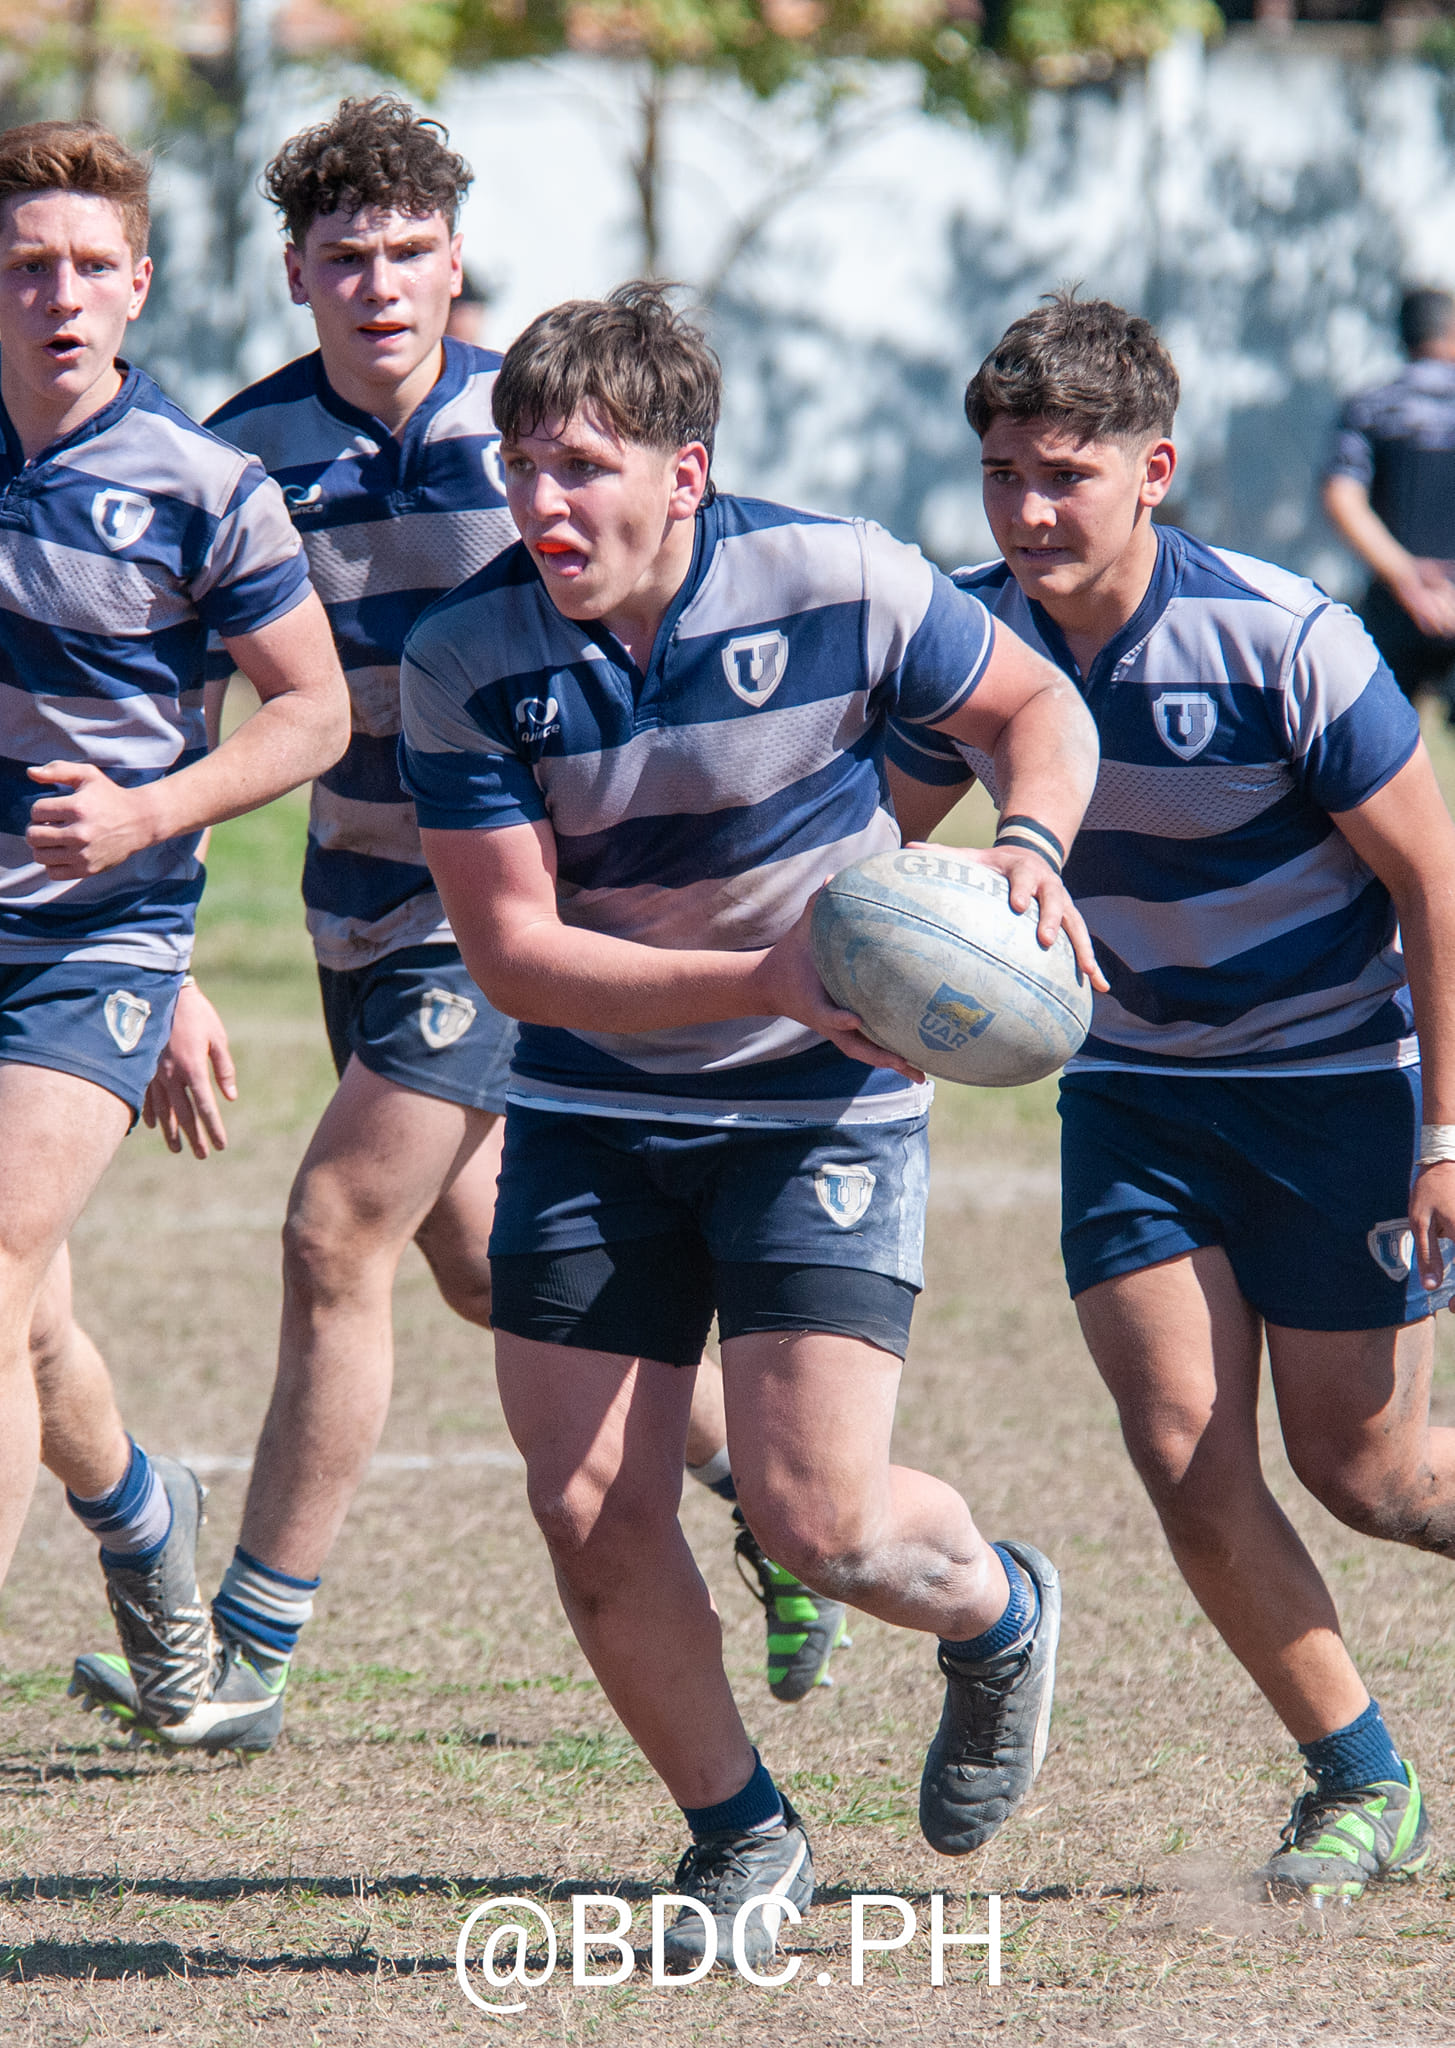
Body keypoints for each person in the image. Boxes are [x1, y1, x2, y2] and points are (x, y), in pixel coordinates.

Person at [68, 98, 839, 1750]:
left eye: (411, 252)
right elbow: (162, 725)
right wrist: (167, 957)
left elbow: (691, 589)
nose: (382, 284)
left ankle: (242, 1656)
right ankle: (768, 1504)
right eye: (346, 257)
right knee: (489, 1265)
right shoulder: (241, 457)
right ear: (297, 273)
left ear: (456, 258)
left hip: (510, 916)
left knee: (331, 1225)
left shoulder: (541, 433)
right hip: (352, 915)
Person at [398, 282, 1104, 1969]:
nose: (540, 502)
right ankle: (742, 1830)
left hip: (825, 1100)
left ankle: (997, 1609)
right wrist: (761, 972)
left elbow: (1038, 712)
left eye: (578, 465)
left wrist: (1037, 844)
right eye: (517, 465)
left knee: (820, 1518)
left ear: (686, 473)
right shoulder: (465, 658)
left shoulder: (840, 577)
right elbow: (517, 956)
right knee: (583, 1502)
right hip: (591, 1101)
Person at [891, 290, 1455, 1904]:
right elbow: (873, 833)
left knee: (1371, 1473)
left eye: (1064, 472)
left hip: (1342, 1080)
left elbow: (1437, 883)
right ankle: (1361, 1777)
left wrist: (1446, 1134)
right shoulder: (970, 635)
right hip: (1134, 1089)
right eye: (1002, 473)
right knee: (1183, 1447)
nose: (1028, 510)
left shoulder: (1283, 637)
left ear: (1158, 469)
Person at [0, 117, 348, 1723]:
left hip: (92, 945)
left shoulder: (208, 489)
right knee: (37, 1311)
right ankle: (144, 1523)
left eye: (88, 268)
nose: (57, 296)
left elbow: (313, 714)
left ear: (136, 286)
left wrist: (147, 821)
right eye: (25, 267)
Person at [1322, 287, 1455, 705]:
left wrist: (1405, 574)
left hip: (1394, 600)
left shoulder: (1372, 406)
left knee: (1378, 750)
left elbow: (1341, 495)